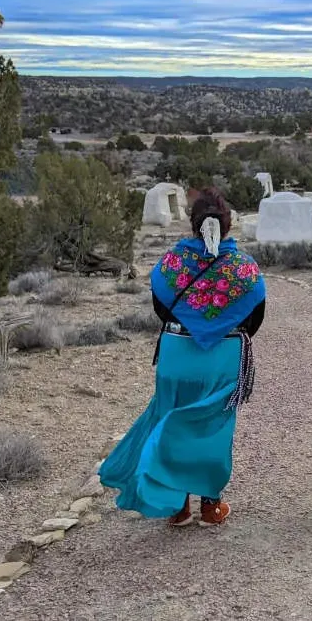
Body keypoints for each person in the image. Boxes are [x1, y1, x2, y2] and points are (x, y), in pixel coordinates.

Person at [99, 187, 266, 527]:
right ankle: (210, 506)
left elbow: (162, 308)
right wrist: (219, 329)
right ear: (228, 226)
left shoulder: (172, 263)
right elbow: (255, 317)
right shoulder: (244, 269)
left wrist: (190, 326)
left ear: (193, 225)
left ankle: (176, 506)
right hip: (222, 358)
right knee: (213, 430)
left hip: (176, 355)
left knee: (170, 422)